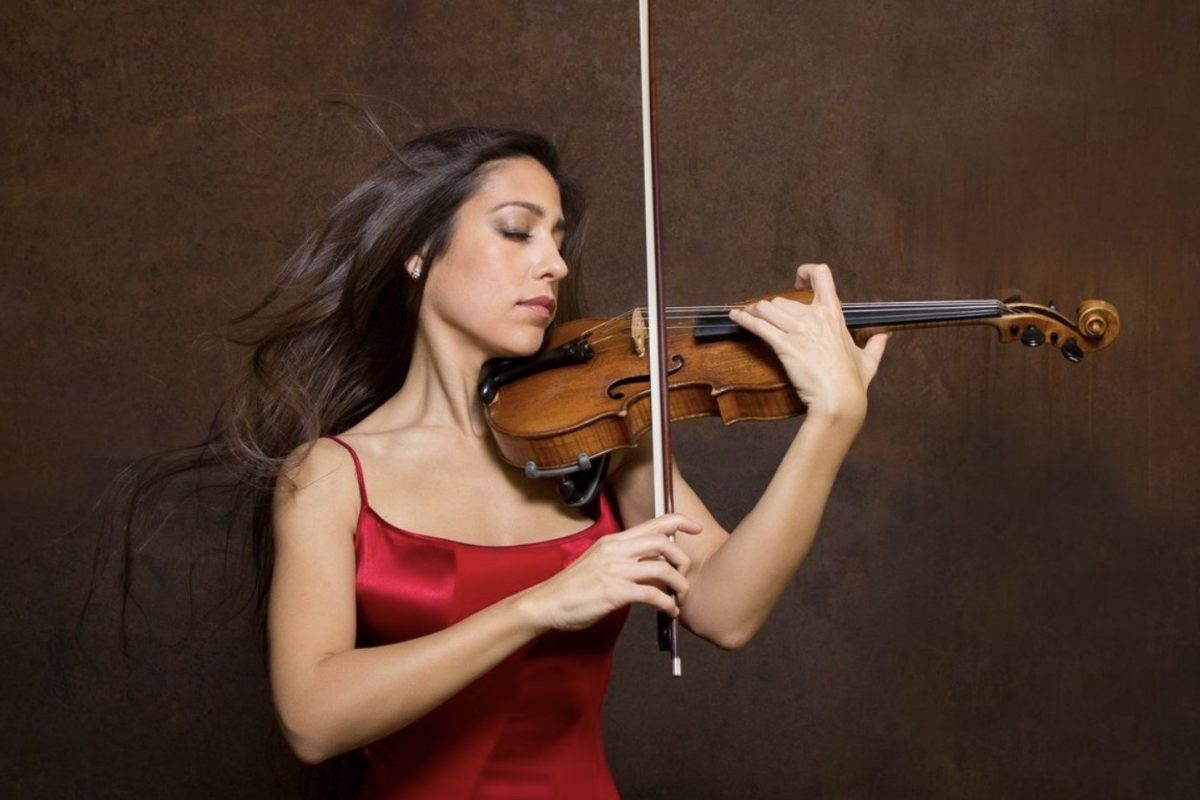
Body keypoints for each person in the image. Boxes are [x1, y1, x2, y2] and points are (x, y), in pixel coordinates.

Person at [194, 126, 886, 798]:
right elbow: (312, 720)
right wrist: (538, 606)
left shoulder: (599, 437)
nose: (554, 264)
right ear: (417, 250)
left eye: (558, 240)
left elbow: (726, 611)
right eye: (518, 230)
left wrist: (832, 420)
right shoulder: (329, 476)